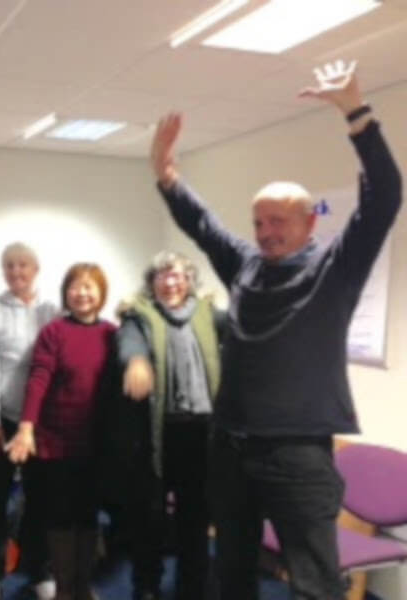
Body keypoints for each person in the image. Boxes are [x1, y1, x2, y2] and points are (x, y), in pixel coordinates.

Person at [149, 60, 401, 600]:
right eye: (259, 222)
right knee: (233, 575)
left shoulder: (334, 270)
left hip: (299, 457)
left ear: (310, 223)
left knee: (313, 584)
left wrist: (356, 112)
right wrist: (166, 174)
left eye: (278, 221)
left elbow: (384, 196)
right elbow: (203, 225)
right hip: (231, 450)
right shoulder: (243, 265)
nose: (265, 233)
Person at [109, 251, 223, 600]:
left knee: (195, 519)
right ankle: (147, 586)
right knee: (150, 520)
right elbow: (128, 342)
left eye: (177, 275)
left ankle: (193, 588)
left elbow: (244, 332)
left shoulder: (208, 314)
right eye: (162, 276)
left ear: (189, 280)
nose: (170, 282)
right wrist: (137, 360)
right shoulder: (139, 315)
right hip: (157, 435)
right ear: (152, 282)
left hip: (202, 433)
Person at [7, 263, 116, 600]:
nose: (82, 293)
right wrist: (26, 429)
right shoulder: (53, 332)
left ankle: (82, 587)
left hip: (95, 445)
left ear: (100, 293)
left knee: (86, 517)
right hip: (54, 443)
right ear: (66, 293)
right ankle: (64, 590)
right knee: (59, 519)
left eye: (89, 287)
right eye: (75, 287)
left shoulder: (112, 333)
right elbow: (38, 380)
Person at [0, 242, 57, 600]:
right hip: (3, 419)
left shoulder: (53, 310)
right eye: (9, 266)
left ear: (35, 270)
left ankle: (40, 571)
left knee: (41, 499)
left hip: (41, 423)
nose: (16, 271)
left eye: (23, 265)